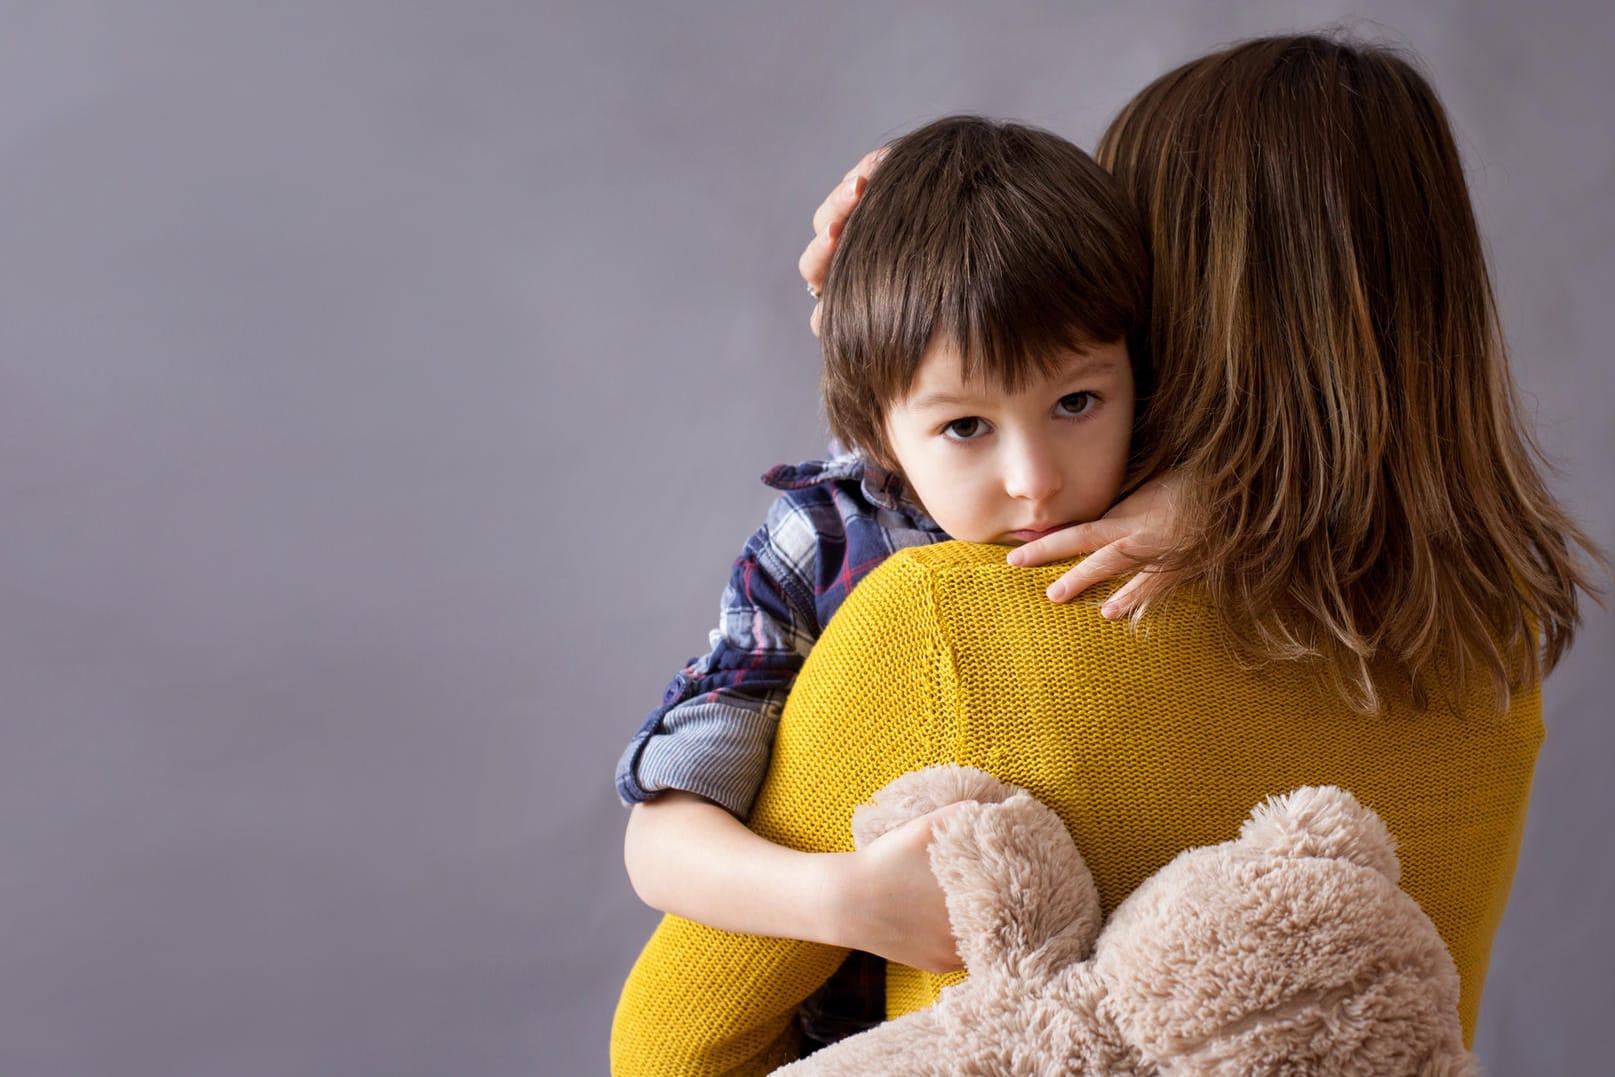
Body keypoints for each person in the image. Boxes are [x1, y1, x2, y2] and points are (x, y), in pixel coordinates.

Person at [610, 33, 1604, 1077]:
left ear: (1162, 299)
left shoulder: (951, 625)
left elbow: (671, 1047)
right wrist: (913, 255)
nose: (1032, 475)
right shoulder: (1490, 654)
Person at [615, 115, 1150, 1043]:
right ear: (876, 425)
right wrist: (847, 900)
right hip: (869, 1038)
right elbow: (661, 839)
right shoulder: (827, 545)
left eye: (1075, 402)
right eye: (965, 427)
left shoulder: (1156, 495)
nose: (1034, 478)